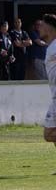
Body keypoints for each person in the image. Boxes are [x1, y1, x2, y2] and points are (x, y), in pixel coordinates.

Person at [36, 14, 56, 148]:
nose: (38, 28)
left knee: (48, 135)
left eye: (41, 25)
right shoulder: (51, 47)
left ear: (49, 29)